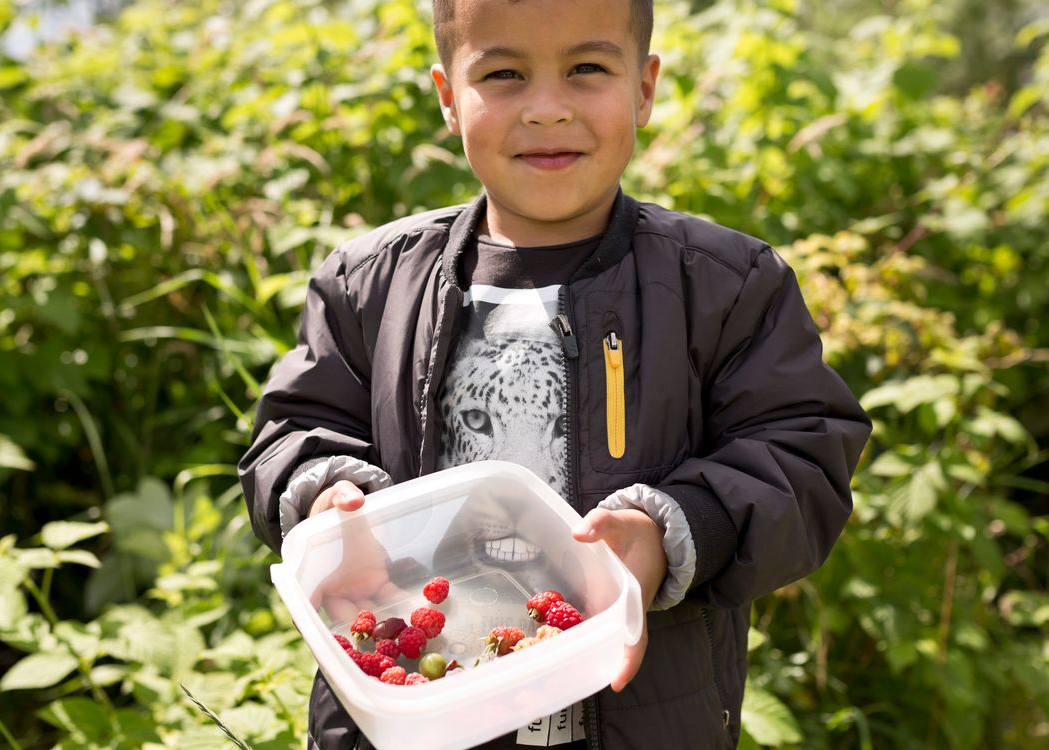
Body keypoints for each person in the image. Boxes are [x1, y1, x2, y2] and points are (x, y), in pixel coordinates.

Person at [239, 0, 872, 747]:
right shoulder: (367, 287)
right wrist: (328, 500)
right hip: (416, 702)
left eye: (587, 69)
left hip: (634, 718)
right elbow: (293, 431)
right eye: (503, 73)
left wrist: (664, 534)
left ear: (643, 87)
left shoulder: (726, 286)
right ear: (448, 97)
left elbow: (801, 458)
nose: (546, 109)